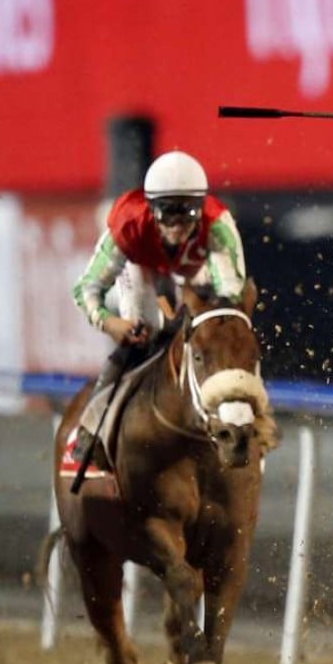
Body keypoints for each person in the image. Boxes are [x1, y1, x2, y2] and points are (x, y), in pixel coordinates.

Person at [70, 151, 247, 465]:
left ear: (201, 208)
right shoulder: (128, 224)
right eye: (168, 212)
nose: (178, 225)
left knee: (222, 336)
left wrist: (203, 322)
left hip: (196, 274)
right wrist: (111, 323)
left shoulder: (218, 225)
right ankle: (91, 428)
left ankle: (250, 420)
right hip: (143, 269)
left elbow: (230, 295)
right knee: (142, 334)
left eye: (188, 212)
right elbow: (86, 288)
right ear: (151, 209)